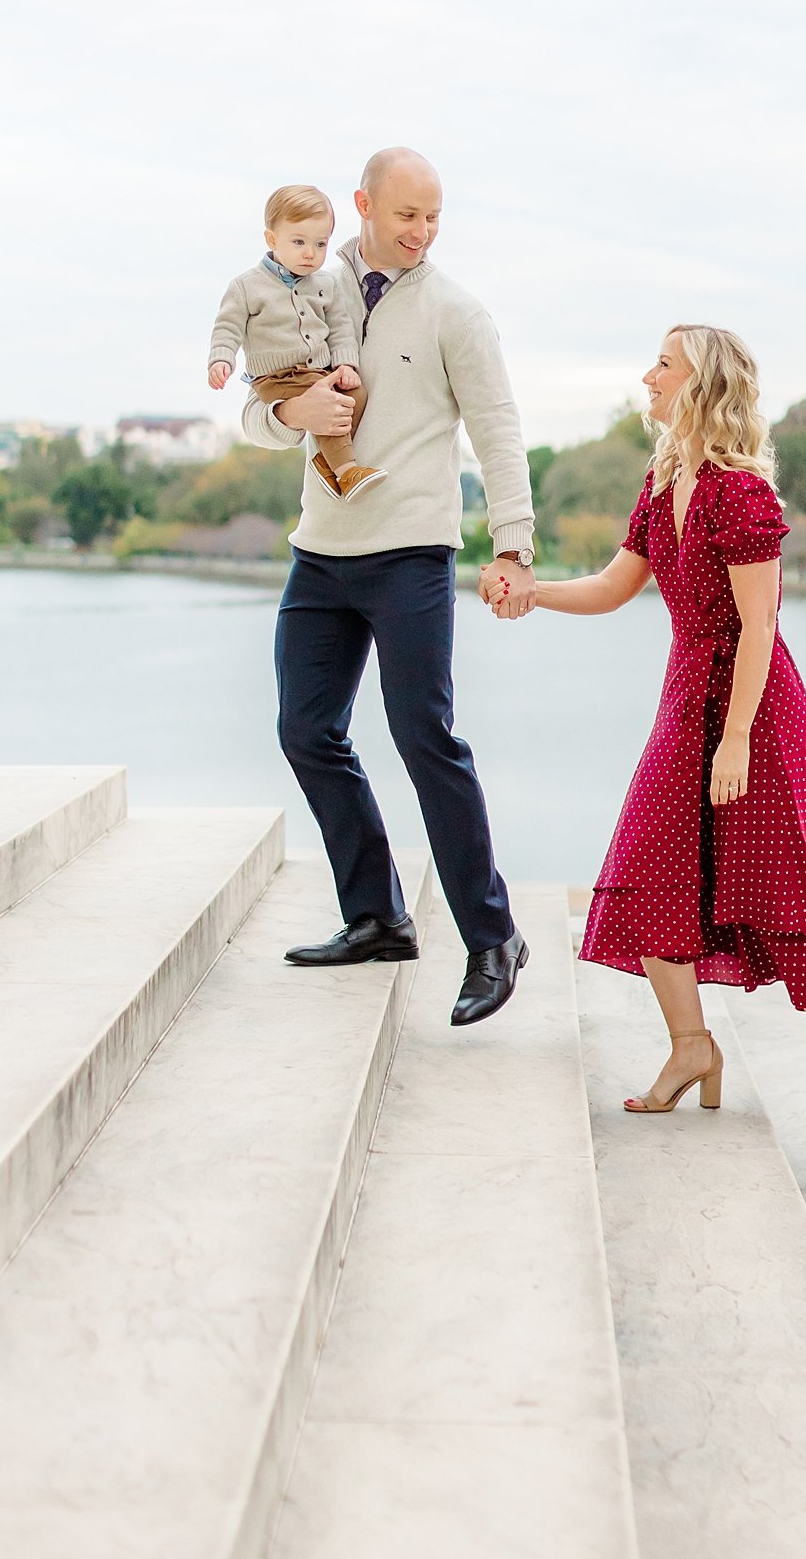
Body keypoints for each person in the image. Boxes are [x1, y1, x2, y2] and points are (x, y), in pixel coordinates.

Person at [488, 324, 806, 1179]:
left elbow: (760, 625)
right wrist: (532, 593)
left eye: (664, 365)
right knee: (647, 872)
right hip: (687, 704)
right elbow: (613, 586)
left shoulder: (740, 492)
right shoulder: (664, 481)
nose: (648, 375)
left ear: (700, 383)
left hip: (757, 717)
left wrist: (739, 737)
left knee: (788, 904)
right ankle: (691, 1049)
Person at [238, 147, 537, 1027]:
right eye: (406, 215)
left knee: (423, 737)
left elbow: (498, 430)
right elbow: (257, 411)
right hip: (320, 552)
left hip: (412, 550)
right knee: (306, 730)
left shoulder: (457, 313)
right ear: (363, 205)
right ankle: (376, 916)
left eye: (434, 217)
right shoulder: (299, 294)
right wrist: (291, 414)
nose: (421, 231)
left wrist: (512, 544)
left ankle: (492, 937)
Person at [208, 184, 385, 502]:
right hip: (277, 377)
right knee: (326, 406)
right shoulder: (247, 287)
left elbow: (340, 326)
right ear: (272, 239)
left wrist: (345, 363)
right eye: (299, 242)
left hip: (317, 371)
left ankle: (327, 461)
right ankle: (346, 471)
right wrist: (221, 359)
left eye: (320, 244)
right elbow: (227, 327)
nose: (310, 253)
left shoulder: (325, 284)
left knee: (356, 393)